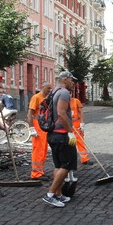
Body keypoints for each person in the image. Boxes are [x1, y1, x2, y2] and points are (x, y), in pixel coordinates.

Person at [41, 71, 77, 208]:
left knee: (58, 165)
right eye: (71, 80)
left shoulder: (54, 92)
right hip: (61, 134)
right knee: (67, 165)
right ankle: (50, 194)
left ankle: (58, 193)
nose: (73, 83)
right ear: (65, 79)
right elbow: (62, 113)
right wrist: (70, 133)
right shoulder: (64, 93)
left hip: (52, 134)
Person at [27, 82, 53, 180]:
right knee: (38, 149)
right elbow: (30, 113)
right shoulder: (36, 97)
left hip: (43, 128)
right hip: (38, 128)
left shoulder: (46, 99)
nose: (50, 90)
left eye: (51, 88)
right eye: (48, 88)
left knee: (43, 150)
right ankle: (36, 173)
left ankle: (40, 171)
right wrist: (31, 128)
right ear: (42, 87)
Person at [70, 92, 90, 164]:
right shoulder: (62, 102)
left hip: (76, 123)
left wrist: (81, 123)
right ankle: (70, 159)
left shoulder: (76, 101)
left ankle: (84, 158)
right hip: (67, 124)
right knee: (70, 142)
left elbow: (81, 112)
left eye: (70, 93)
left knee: (80, 140)